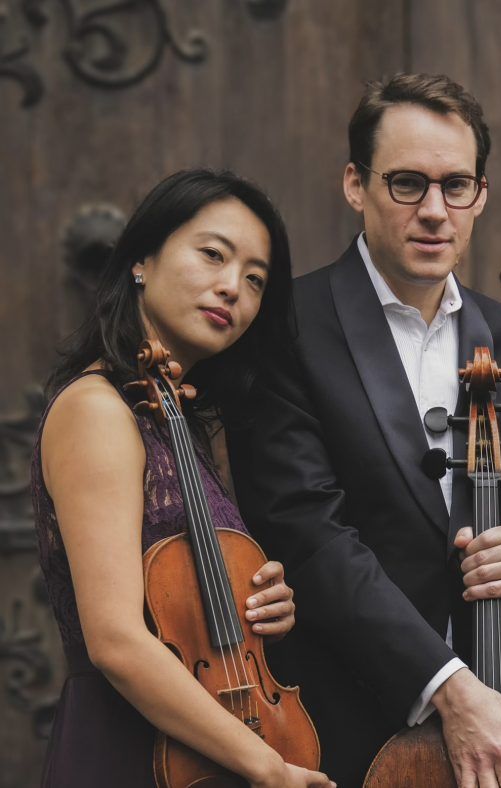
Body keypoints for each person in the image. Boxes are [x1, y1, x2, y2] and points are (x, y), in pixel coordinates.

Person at [226, 73, 501, 787]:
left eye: (456, 186)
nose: (434, 211)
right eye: (407, 184)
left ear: (481, 194)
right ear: (356, 184)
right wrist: (447, 685)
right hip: (351, 712)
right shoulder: (288, 328)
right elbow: (310, 534)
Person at [33, 169, 334, 787]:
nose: (233, 290)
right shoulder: (98, 408)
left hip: (199, 741)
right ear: (142, 259)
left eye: (255, 280)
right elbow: (116, 639)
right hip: (128, 749)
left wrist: (255, 603)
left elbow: (164, 602)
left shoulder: (176, 420)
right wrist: (266, 765)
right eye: (213, 255)